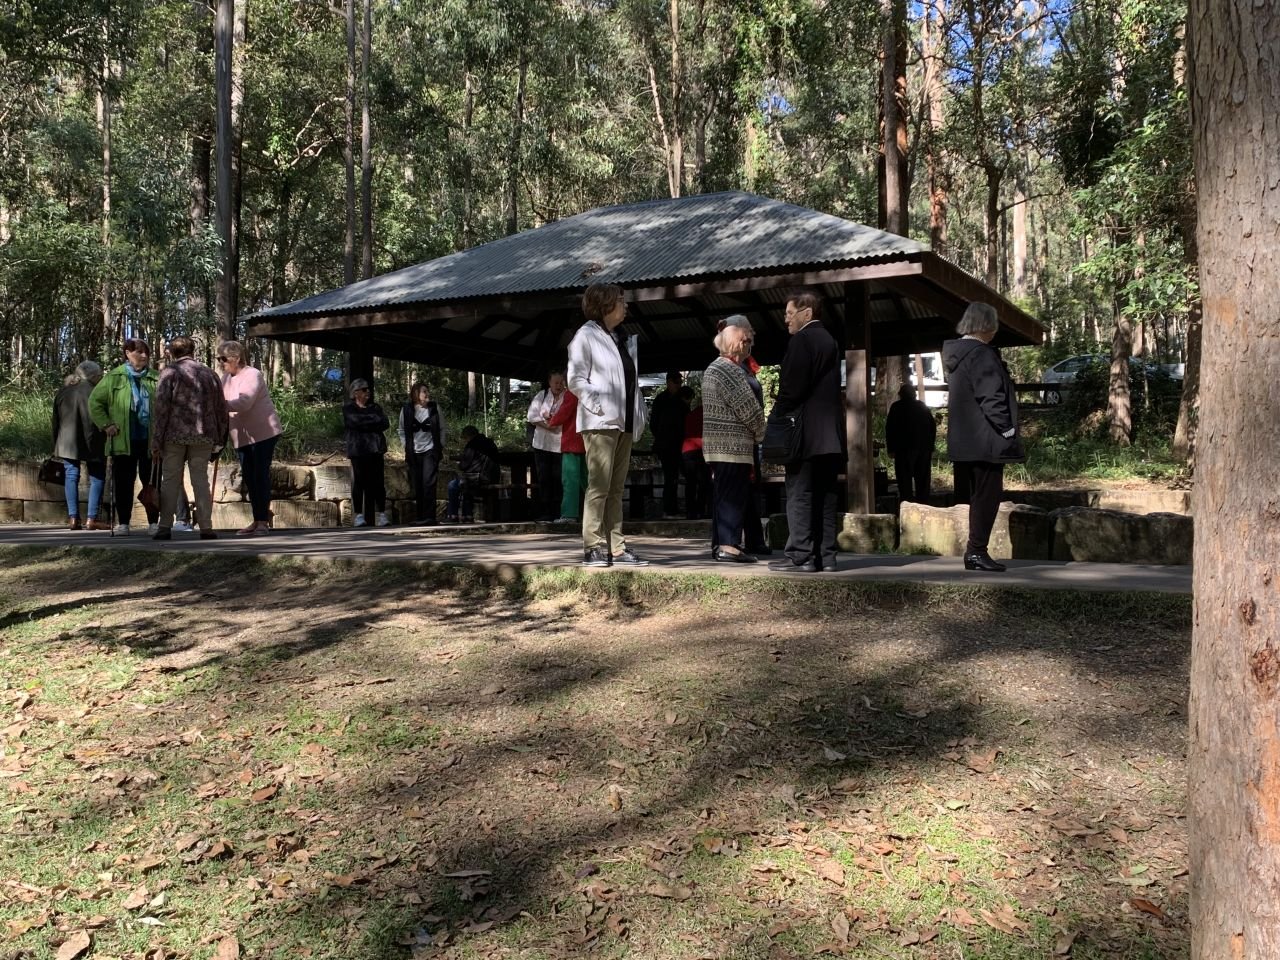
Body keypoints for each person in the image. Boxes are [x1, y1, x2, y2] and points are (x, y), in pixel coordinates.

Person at [567, 282, 649, 568]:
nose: (626, 305)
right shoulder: (585, 336)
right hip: (600, 422)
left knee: (616, 488)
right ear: (605, 305)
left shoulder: (619, 337)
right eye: (621, 300)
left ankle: (617, 548)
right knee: (599, 487)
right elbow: (575, 379)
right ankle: (592, 547)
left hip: (623, 422)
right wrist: (599, 405)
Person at [943, 301, 1025, 572]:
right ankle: (976, 552)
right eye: (994, 324)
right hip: (986, 440)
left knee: (976, 497)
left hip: (965, 440)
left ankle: (975, 552)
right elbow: (991, 396)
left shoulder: (958, 355)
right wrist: (1007, 429)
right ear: (986, 325)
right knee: (987, 497)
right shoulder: (981, 354)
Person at [767, 290, 843, 574]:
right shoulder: (830, 340)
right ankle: (827, 556)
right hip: (830, 435)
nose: (786, 320)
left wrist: (777, 413)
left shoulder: (802, 340)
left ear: (807, 312)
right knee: (826, 496)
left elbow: (792, 387)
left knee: (800, 493)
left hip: (804, 434)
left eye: (790, 313)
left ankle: (802, 556)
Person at [150, 336, 228, 541]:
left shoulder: (169, 373)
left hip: (173, 435)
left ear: (171, 353)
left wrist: (156, 440)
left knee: (170, 480)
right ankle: (206, 527)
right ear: (193, 351)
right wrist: (220, 438)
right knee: (200, 480)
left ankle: (164, 527)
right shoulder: (209, 374)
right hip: (203, 435)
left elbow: (161, 409)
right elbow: (221, 408)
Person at [702, 322, 766, 563]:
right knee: (732, 496)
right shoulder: (730, 370)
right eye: (747, 341)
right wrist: (761, 433)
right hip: (732, 446)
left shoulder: (713, 368)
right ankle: (729, 547)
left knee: (723, 496)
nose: (749, 346)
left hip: (719, 447)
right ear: (737, 344)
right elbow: (748, 408)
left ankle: (721, 544)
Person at [89, 338, 160, 536]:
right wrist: (106, 424)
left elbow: (167, 407)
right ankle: (123, 523)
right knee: (123, 483)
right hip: (122, 440)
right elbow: (95, 402)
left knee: (152, 482)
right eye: (139, 352)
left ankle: (153, 523)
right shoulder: (114, 377)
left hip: (150, 440)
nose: (144, 356)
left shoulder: (156, 378)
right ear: (128, 353)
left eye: (146, 352)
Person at [717, 314, 771, 555]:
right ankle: (729, 542)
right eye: (747, 333)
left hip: (749, 437)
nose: (751, 337)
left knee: (750, 487)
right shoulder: (727, 368)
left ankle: (754, 538)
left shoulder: (747, 366)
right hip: (734, 438)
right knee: (736, 489)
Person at [219, 340, 283, 537]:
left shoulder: (252, 374)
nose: (220, 362)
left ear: (236, 358)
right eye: (219, 358)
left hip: (263, 433)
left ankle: (263, 521)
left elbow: (244, 402)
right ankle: (257, 519)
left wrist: (219, 404)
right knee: (249, 478)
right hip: (242, 437)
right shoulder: (225, 379)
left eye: (223, 358)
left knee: (259, 475)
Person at [52, 361, 107, 530]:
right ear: (93, 376)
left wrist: (56, 442)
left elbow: (55, 420)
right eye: (99, 376)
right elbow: (103, 417)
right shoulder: (96, 392)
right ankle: (92, 519)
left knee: (71, 475)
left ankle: (73, 518)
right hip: (93, 440)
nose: (100, 378)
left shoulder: (63, 391)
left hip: (67, 441)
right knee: (97, 477)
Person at [343, 379, 390, 528]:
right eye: (364, 389)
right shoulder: (348, 408)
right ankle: (358, 515)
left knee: (378, 482)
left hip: (376, 449)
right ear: (355, 392)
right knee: (359, 482)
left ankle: (382, 514)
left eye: (368, 389)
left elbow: (385, 423)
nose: (367, 392)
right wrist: (373, 420)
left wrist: (365, 421)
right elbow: (353, 422)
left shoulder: (375, 407)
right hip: (358, 451)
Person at [399, 382, 445, 525]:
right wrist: (406, 445)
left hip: (430, 450)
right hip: (414, 452)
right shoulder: (406, 410)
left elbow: (442, 428)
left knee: (429, 482)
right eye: (424, 391)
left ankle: (430, 517)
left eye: (427, 391)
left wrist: (440, 445)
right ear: (416, 394)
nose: (427, 394)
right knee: (418, 484)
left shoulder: (435, 408)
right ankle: (420, 517)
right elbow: (401, 430)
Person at [885, 382, 938, 504]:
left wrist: (891, 449)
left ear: (900, 395)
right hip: (923, 448)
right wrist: (931, 446)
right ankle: (923, 505)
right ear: (914, 395)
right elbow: (932, 427)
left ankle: (906, 504)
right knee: (923, 481)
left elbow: (890, 429)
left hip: (903, 449)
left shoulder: (896, 407)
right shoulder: (922, 407)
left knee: (904, 481)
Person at [527, 372, 567, 522]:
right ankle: (545, 511)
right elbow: (532, 416)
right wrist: (547, 425)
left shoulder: (567, 396)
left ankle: (558, 512)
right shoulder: (542, 395)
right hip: (541, 444)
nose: (558, 385)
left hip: (559, 444)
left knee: (558, 478)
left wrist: (553, 422)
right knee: (544, 478)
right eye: (556, 382)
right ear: (549, 382)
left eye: (561, 382)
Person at [649, 371, 688, 518]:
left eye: (680, 382)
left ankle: (675, 508)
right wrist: (661, 438)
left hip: (680, 444)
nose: (679, 385)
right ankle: (669, 509)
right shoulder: (660, 400)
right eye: (676, 382)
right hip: (666, 445)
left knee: (677, 477)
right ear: (669, 382)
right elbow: (654, 423)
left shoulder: (681, 401)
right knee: (670, 477)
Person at [545, 387, 585, 522]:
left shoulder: (573, 391)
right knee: (588, 480)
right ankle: (598, 513)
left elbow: (565, 411)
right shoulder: (590, 389)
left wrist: (552, 420)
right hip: (587, 441)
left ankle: (569, 514)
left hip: (572, 441)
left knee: (570, 480)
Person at [445, 425, 499, 523]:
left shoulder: (472, 444)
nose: (465, 440)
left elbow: (464, 465)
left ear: (469, 436)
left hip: (477, 478)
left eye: (465, 438)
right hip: (491, 477)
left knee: (452, 485)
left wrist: (459, 464)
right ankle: (467, 516)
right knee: (466, 485)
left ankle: (453, 515)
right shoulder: (490, 443)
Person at [680, 390, 711, 520]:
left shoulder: (690, 414)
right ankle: (701, 510)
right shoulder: (709, 415)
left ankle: (690, 511)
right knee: (704, 482)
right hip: (702, 449)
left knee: (690, 483)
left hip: (688, 449)